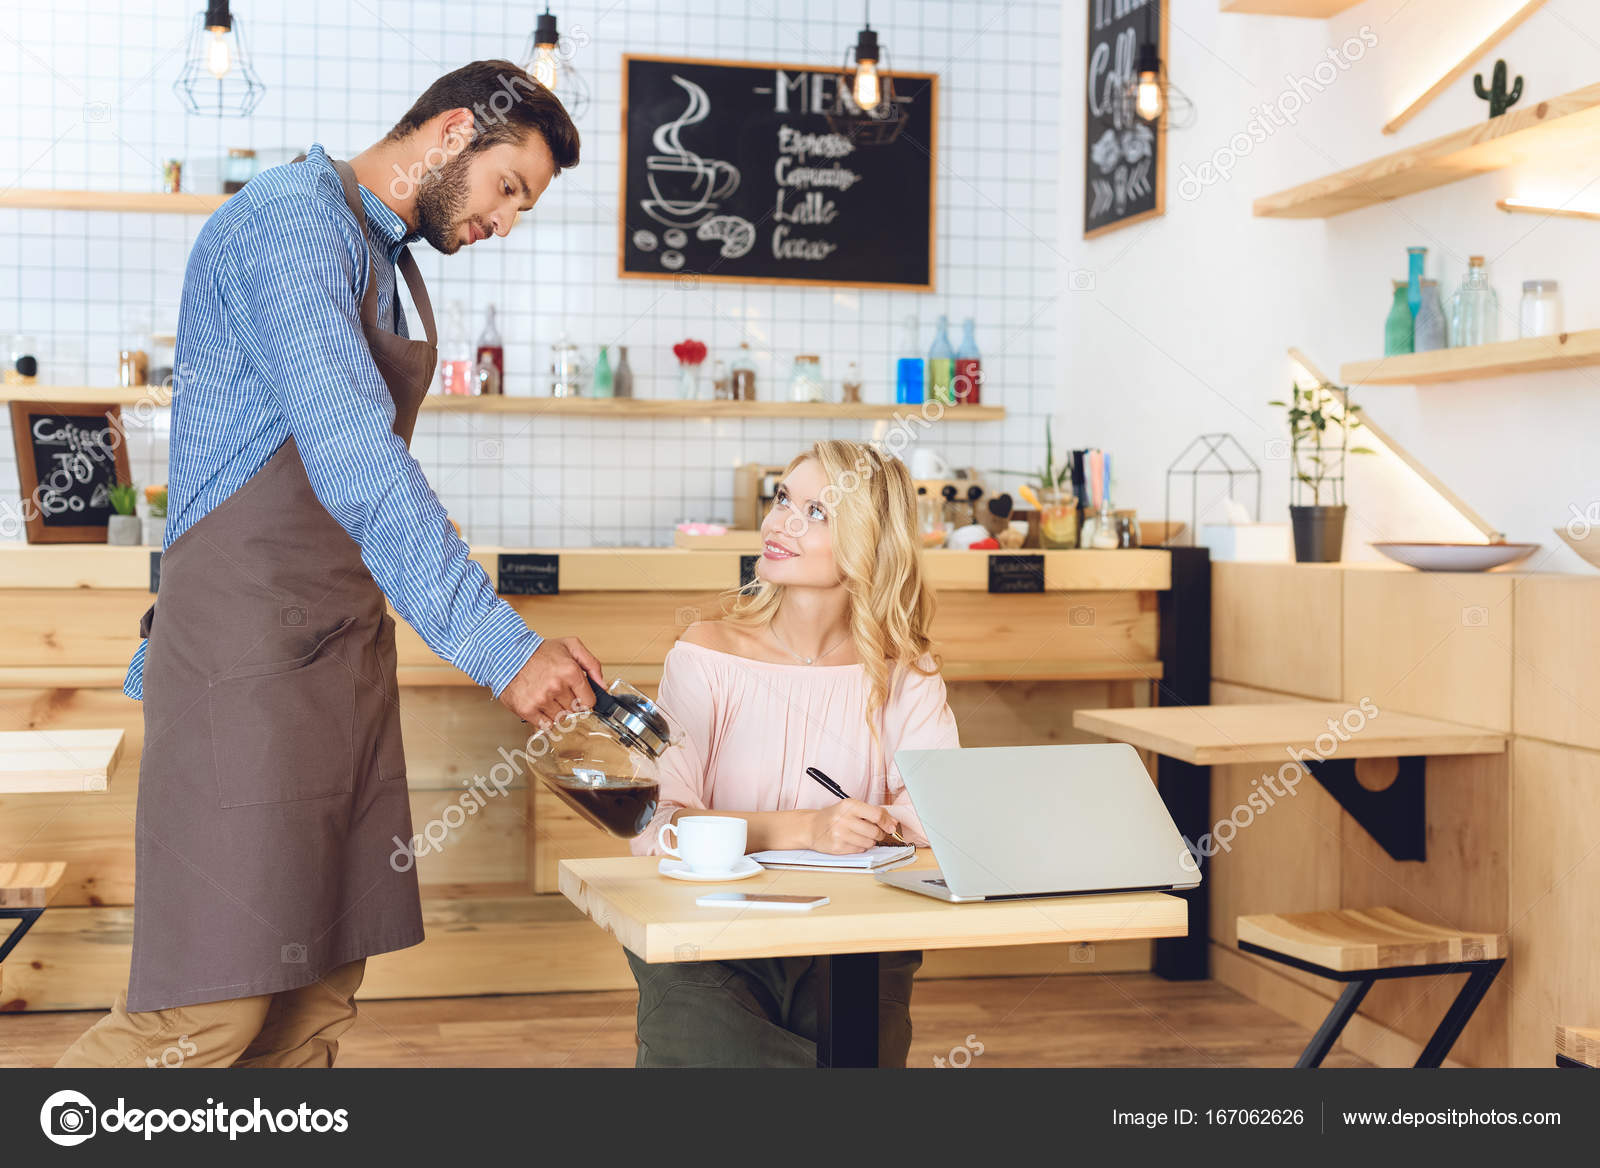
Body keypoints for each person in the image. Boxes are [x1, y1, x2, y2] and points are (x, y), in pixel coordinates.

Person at [59, 61, 601, 1069]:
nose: (507, 222)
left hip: (339, 652)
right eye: (508, 189)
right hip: (243, 657)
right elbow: (355, 451)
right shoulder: (291, 221)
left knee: (314, 998)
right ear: (450, 135)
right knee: (207, 1010)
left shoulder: (383, 254)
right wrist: (500, 645)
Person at [627, 440, 960, 1067]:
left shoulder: (906, 672)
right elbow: (657, 829)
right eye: (783, 499)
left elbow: (942, 814)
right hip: (709, 932)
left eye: (816, 511)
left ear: (869, 541)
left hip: (854, 935)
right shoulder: (705, 654)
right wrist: (812, 829)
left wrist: (874, 824)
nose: (780, 521)